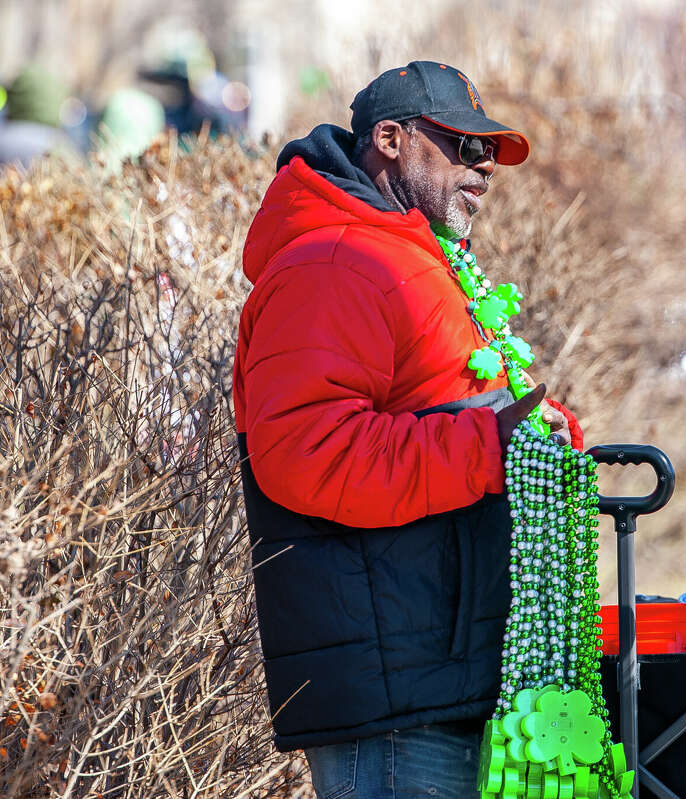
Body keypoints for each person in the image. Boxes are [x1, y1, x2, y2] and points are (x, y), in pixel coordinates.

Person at [233, 61, 579, 798]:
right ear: (389, 139)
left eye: (489, 153)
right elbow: (307, 453)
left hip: (442, 671)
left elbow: (444, 409)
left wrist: (535, 431)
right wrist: (493, 445)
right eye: (462, 144)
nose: (483, 168)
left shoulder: (405, 255)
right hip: (396, 695)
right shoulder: (335, 259)